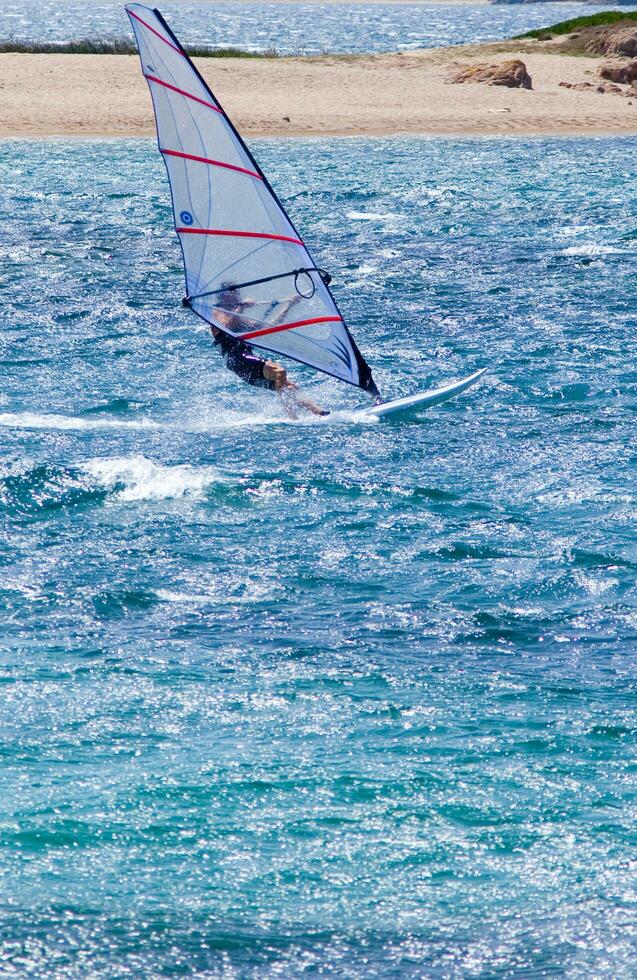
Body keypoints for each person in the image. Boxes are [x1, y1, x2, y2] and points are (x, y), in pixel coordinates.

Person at [210, 285, 328, 417]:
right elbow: (227, 325)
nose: (236, 297)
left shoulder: (239, 318)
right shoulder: (217, 314)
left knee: (290, 387)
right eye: (232, 295)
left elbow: (268, 325)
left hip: (246, 358)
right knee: (279, 372)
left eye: (236, 295)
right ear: (223, 297)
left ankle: (319, 413)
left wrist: (289, 305)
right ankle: (292, 417)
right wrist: (241, 307)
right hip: (237, 360)